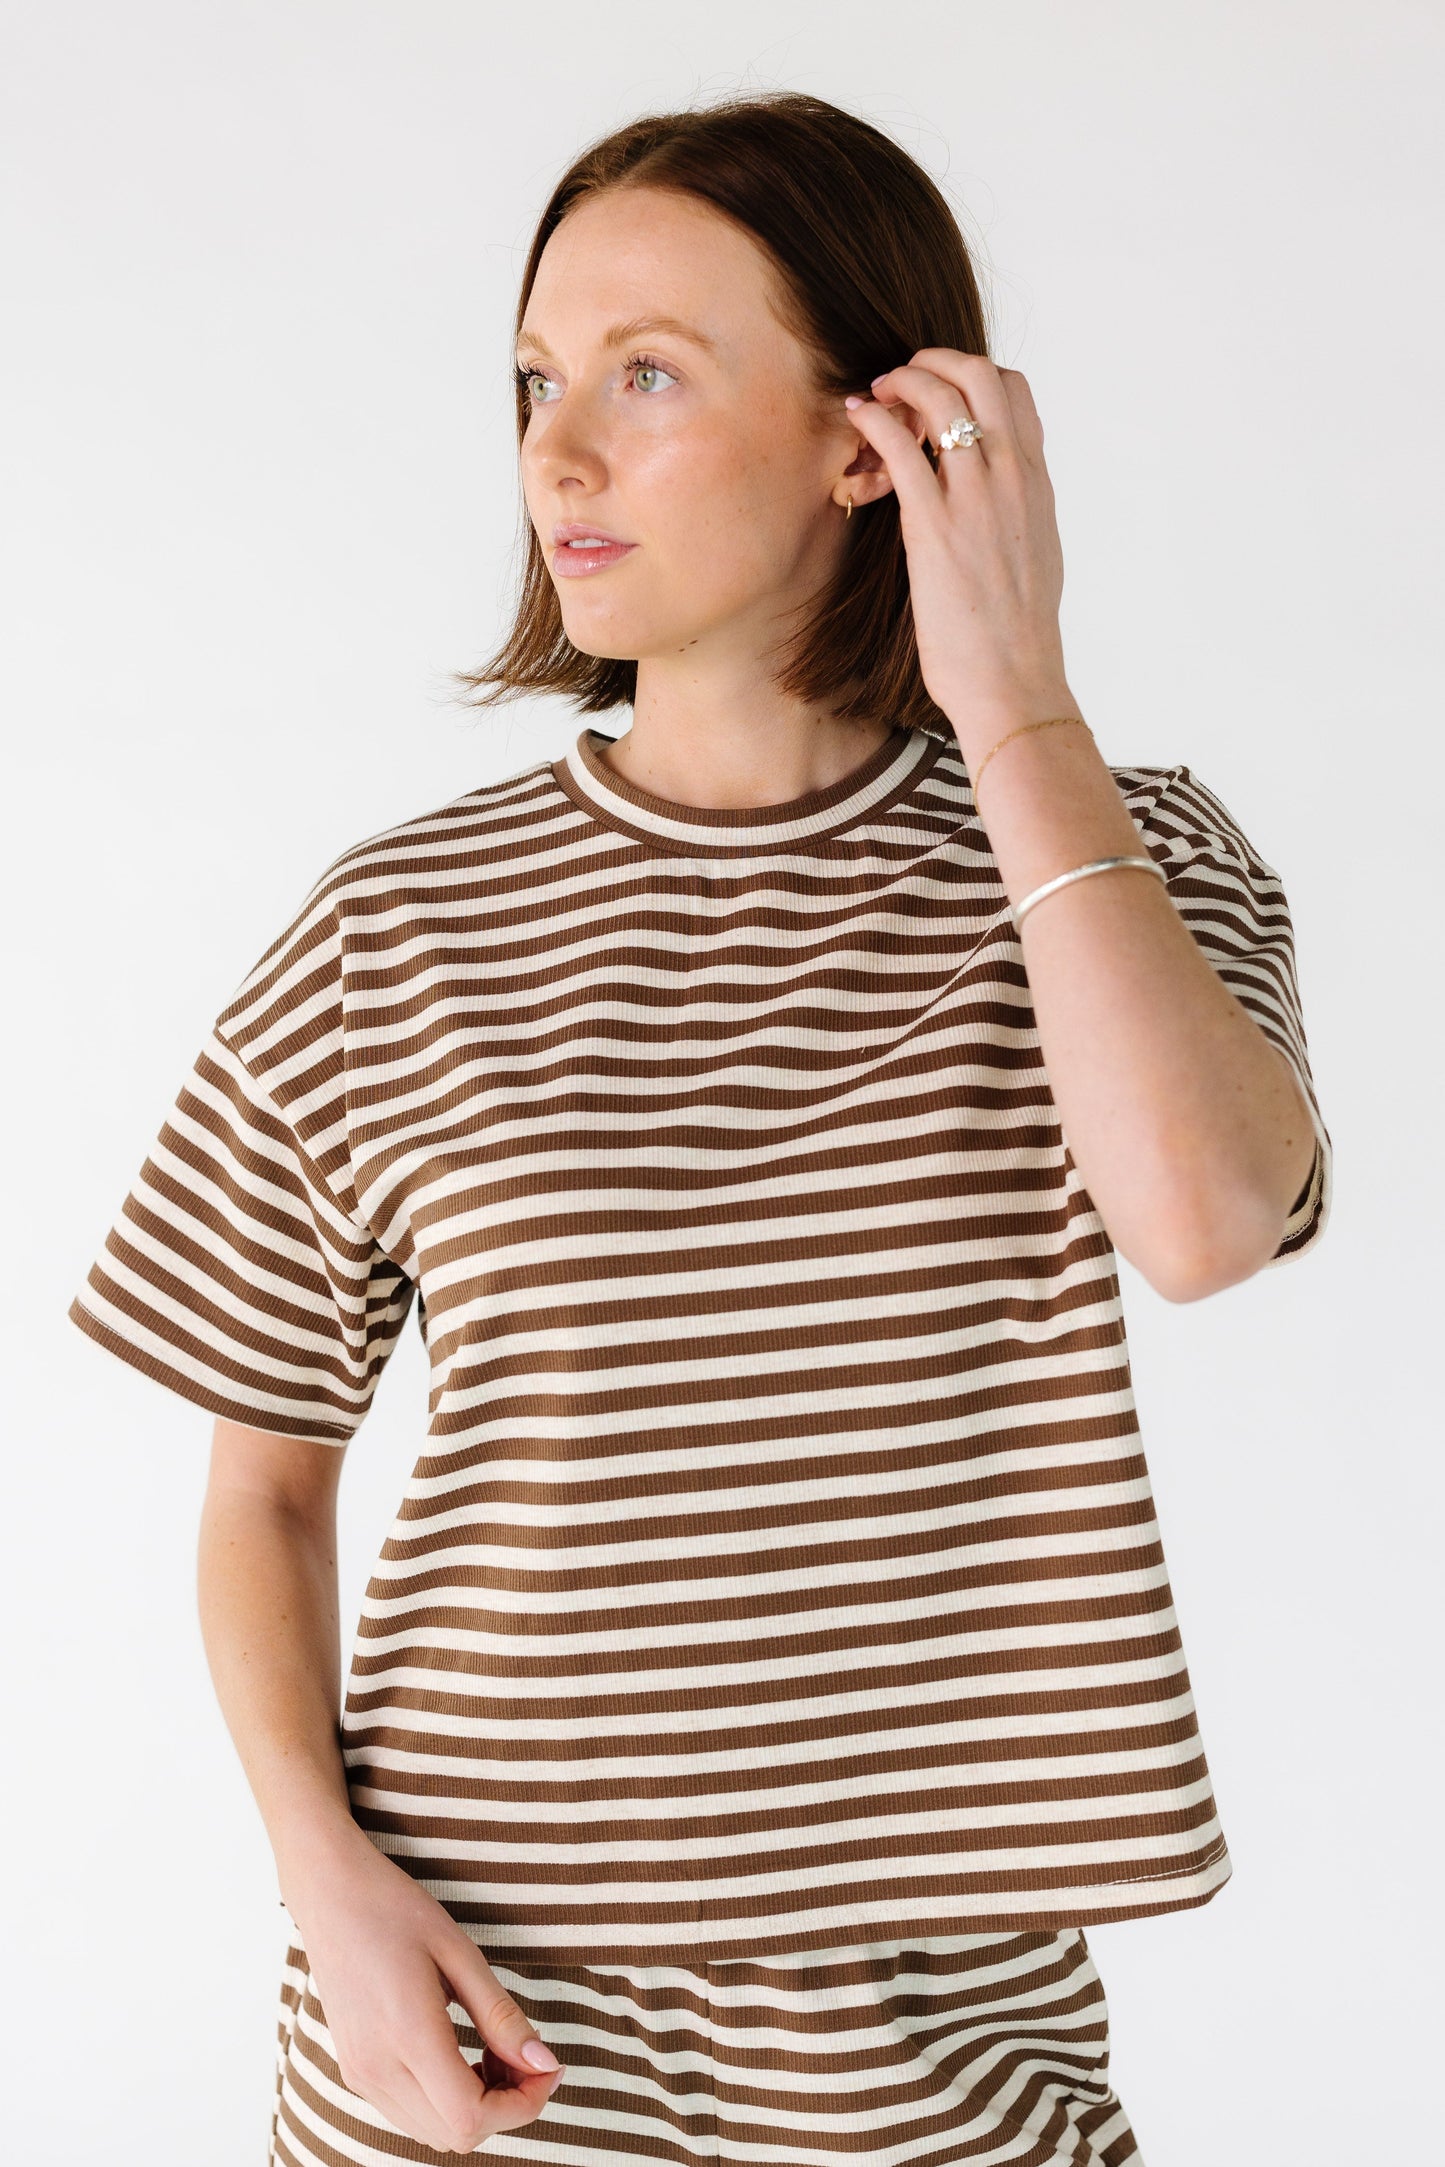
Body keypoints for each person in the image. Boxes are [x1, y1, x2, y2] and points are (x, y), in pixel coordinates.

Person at [68, 89, 1332, 2167]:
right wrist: (327, 1879)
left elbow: (1200, 1220)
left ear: (879, 434)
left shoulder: (1120, 857)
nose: (555, 449)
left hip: (937, 2031)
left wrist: (1015, 698)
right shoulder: (399, 930)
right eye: (535, 380)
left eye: (646, 374)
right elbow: (267, 1485)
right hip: (473, 2018)